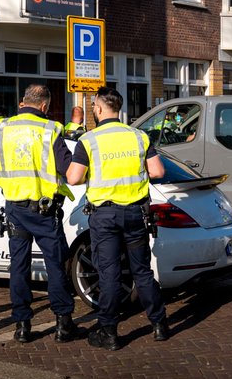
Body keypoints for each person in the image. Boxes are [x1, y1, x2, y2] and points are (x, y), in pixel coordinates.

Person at [0, 84, 80, 344]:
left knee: (19, 267)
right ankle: (63, 324)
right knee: (55, 265)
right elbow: (68, 169)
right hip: (44, 211)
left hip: (15, 209)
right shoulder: (50, 129)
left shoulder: (1, 129)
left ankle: (22, 326)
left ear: (23, 102)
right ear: (44, 105)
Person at [66, 87, 169, 350]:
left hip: (105, 216)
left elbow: (73, 178)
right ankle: (159, 324)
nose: (93, 110)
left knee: (109, 274)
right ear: (118, 109)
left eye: (94, 107)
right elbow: (158, 171)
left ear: (99, 108)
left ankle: (109, 332)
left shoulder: (89, 140)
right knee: (142, 271)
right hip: (135, 213)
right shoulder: (138, 136)